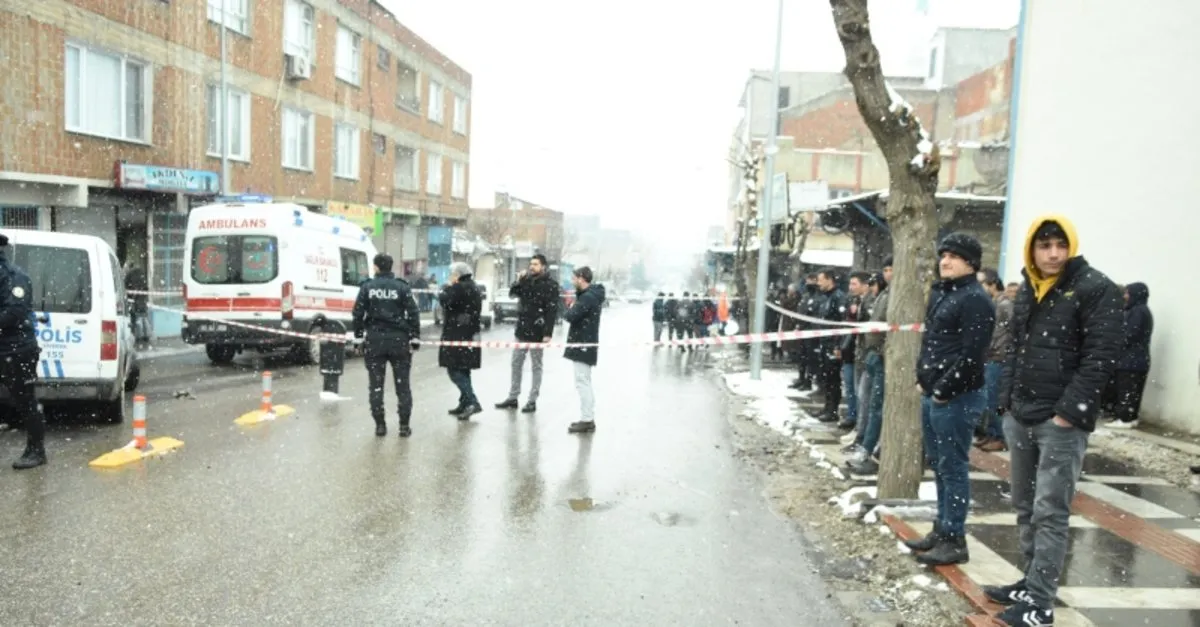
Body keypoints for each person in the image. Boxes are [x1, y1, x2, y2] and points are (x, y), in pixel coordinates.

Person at [989, 216, 1122, 627]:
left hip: (1059, 422)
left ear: (1071, 247)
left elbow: (1101, 357)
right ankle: (1030, 582)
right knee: (1024, 505)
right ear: (1032, 248)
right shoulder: (1030, 287)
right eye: (1044, 245)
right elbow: (1015, 349)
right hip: (1021, 414)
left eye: (1060, 245)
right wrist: (1006, 403)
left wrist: (1068, 412)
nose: (1053, 253)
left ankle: (1041, 604)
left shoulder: (1094, 287)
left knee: (1050, 511)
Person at [905, 233, 995, 566]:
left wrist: (943, 389)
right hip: (935, 394)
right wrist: (922, 379)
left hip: (957, 398)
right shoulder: (946, 293)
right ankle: (942, 529)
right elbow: (933, 342)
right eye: (943, 255)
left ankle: (955, 538)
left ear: (970, 262)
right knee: (940, 465)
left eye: (954, 256)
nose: (945, 261)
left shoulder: (975, 299)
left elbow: (972, 356)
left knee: (953, 467)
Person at [352, 254, 421, 437]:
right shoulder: (401, 287)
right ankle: (404, 426)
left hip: (375, 341)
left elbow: (357, 313)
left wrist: (358, 338)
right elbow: (413, 312)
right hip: (399, 341)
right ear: (391, 267)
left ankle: (380, 425)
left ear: (376, 267)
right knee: (403, 386)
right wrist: (415, 336)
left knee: (376, 386)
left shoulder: (367, 287)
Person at [0, 234, 47, 469]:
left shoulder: (14, 277)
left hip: (17, 349)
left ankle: (36, 451)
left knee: (25, 400)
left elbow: (14, 313)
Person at [496, 254, 559, 413]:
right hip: (522, 330)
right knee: (516, 363)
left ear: (543, 266)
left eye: (535, 264)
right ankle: (513, 397)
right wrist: (518, 280)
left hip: (538, 331)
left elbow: (552, 310)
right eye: (531, 264)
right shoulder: (526, 280)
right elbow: (512, 294)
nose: (532, 267)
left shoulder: (551, 285)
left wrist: (548, 333)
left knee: (536, 366)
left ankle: (532, 400)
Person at [563, 266, 605, 434]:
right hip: (584, 343)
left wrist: (569, 306)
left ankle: (587, 420)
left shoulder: (587, 298)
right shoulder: (589, 296)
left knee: (583, 382)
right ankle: (587, 418)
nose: (573, 281)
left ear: (581, 278)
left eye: (574, 278)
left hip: (583, 344)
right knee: (583, 381)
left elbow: (571, 316)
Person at [439, 262, 484, 420]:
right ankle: (464, 402)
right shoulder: (473, 287)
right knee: (464, 370)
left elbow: (445, 301)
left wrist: (444, 290)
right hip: (469, 333)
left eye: (452, 274)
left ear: (457, 275)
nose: (450, 277)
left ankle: (472, 402)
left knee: (454, 371)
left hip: (457, 334)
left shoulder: (458, 288)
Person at [976, 268, 1013, 452]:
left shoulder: (1005, 305)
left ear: (992, 284)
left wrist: (1003, 349)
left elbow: (1014, 331)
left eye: (981, 283)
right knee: (987, 399)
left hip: (999, 359)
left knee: (994, 400)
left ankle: (1000, 437)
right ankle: (991, 433)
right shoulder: (992, 304)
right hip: (990, 356)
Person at [1110, 282, 1152, 429]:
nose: (1125, 296)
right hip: (1136, 359)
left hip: (1131, 360)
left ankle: (1125, 419)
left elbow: (1130, 335)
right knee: (1133, 391)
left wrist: (1115, 340)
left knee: (1127, 390)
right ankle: (1130, 417)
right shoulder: (1141, 310)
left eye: (1128, 293)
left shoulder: (1137, 311)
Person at [813, 268, 847, 422]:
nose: (818, 283)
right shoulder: (825, 297)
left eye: (821, 280)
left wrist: (837, 345)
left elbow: (841, 323)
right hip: (824, 342)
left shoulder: (838, 297)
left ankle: (832, 410)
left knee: (833, 379)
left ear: (829, 279)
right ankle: (827, 407)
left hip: (833, 344)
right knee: (826, 378)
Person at [123, 260, 151, 349]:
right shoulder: (141, 272)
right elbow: (146, 286)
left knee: (137, 318)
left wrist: (130, 297)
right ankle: (147, 335)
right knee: (144, 317)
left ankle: (139, 336)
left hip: (135, 299)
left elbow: (125, 286)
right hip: (142, 298)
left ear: (129, 267)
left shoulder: (129, 274)